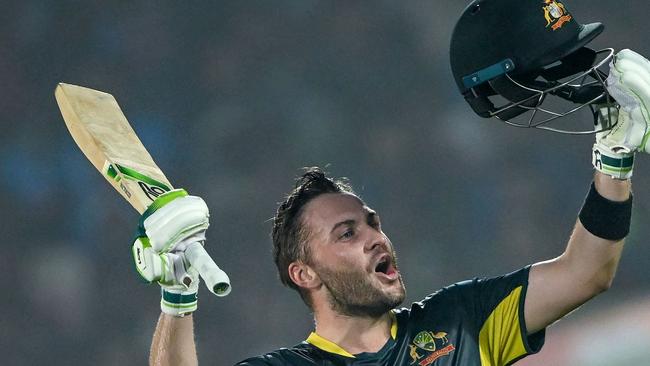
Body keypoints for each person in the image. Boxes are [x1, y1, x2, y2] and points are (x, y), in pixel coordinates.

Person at [134, 48, 650, 365]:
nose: (374, 236)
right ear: (305, 274)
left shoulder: (460, 322)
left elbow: (586, 272)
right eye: (346, 233)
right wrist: (178, 296)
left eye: (371, 223)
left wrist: (614, 159)